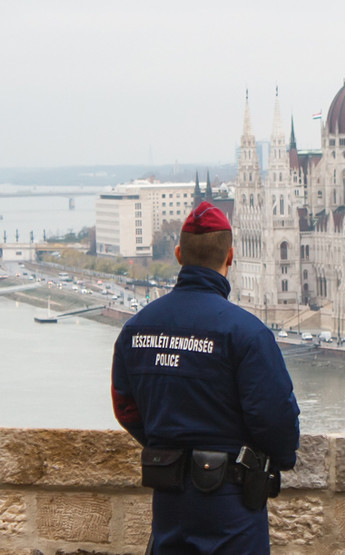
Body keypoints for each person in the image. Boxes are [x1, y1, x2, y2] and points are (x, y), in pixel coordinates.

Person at [111, 201, 300, 553]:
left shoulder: (135, 330)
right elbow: (276, 420)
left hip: (169, 501)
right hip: (233, 508)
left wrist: (167, 443)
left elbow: (125, 408)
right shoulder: (247, 334)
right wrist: (276, 460)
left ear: (179, 254)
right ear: (230, 257)